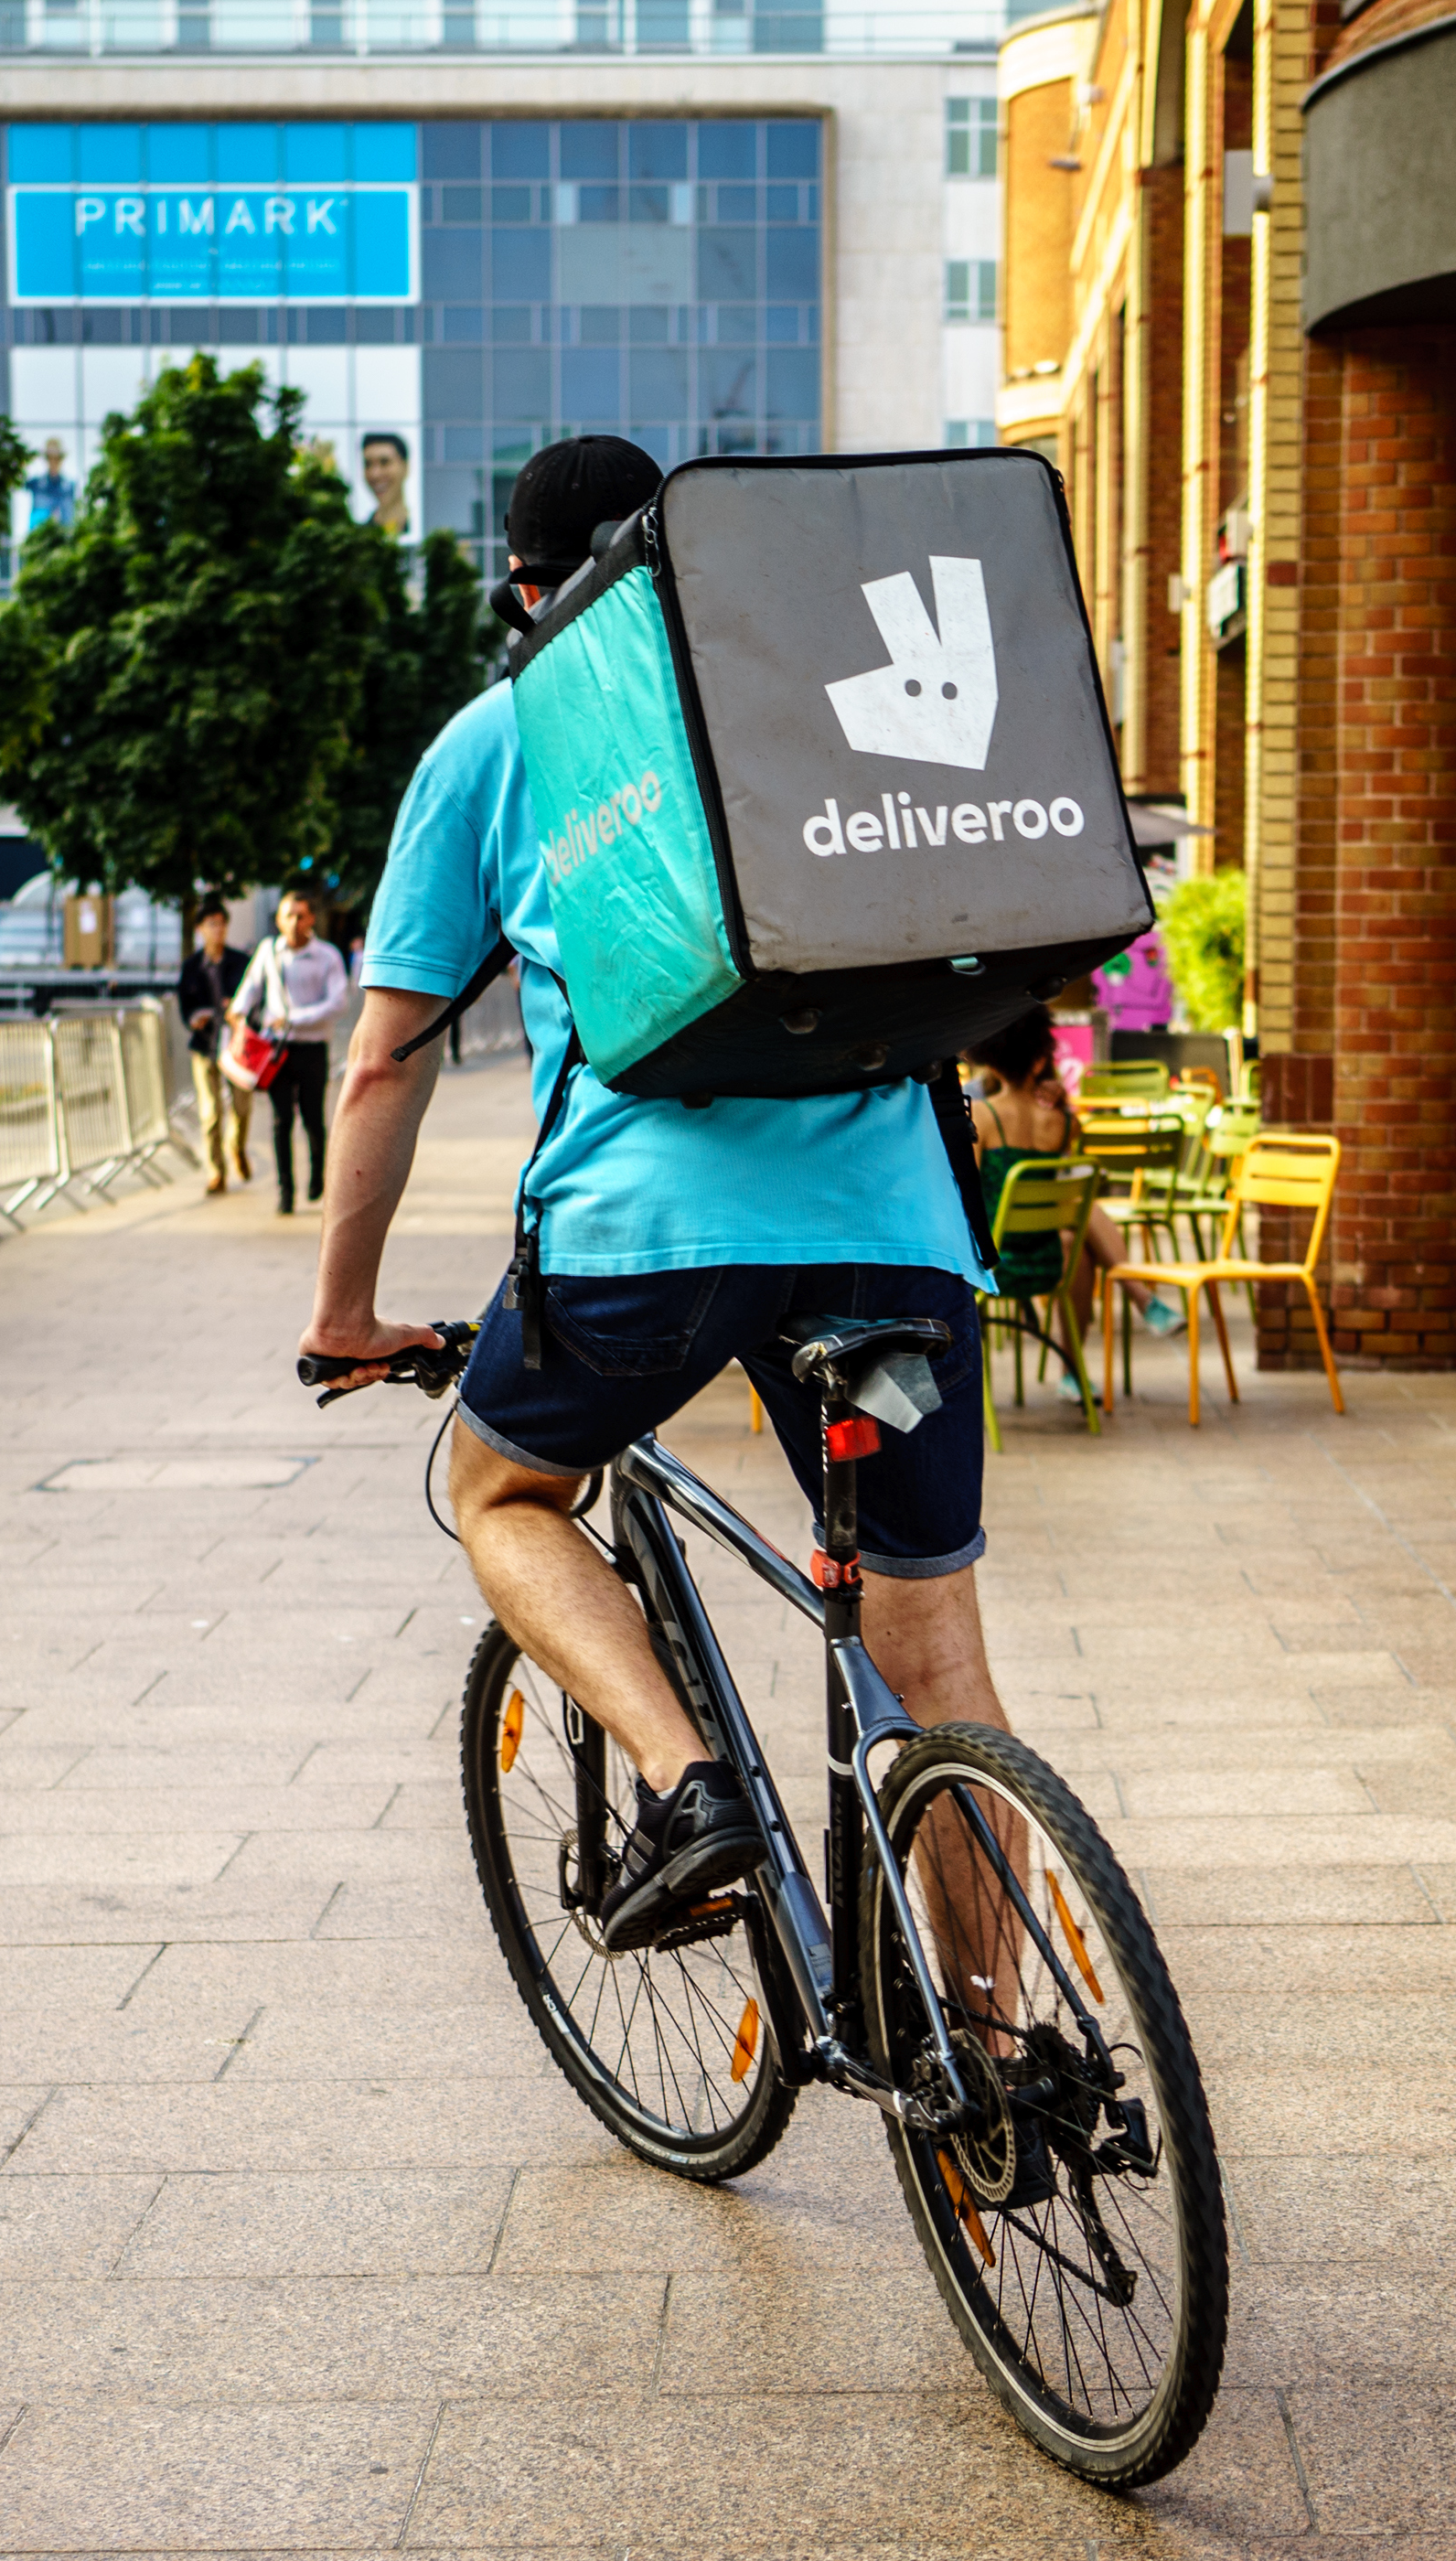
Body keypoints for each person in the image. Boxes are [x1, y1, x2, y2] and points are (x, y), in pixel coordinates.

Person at [294, 434, 1013, 1954]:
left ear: (526, 591)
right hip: (894, 1237)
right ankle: (999, 2079)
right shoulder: (829, 708)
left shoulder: (500, 740)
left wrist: (346, 1312)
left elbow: (382, 1065)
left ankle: (691, 1786)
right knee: (937, 1659)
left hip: (643, 1252)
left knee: (499, 1489)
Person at [963, 1007, 1174, 1336]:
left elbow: (967, 1188)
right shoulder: (1065, 1124)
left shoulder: (978, 1114)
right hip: (1045, 1258)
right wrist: (1059, 1105)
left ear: (990, 1060)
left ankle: (1138, 1301)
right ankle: (1079, 1363)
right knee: (1076, 1235)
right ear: (1039, 1061)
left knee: (1076, 1224)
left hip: (993, 1261)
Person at [236, 886, 351, 1215]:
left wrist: (294, 1019)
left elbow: (337, 1002)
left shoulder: (327, 956)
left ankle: (318, 1176)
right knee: (280, 1120)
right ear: (278, 919)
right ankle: (285, 1191)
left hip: (313, 1049)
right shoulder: (268, 951)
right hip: (277, 1051)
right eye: (289, 915)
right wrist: (238, 1011)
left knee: (313, 1118)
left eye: (301, 916)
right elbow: (251, 987)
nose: (295, 922)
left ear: (311, 919)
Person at [176, 897, 252, 1195]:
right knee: (210, 1112)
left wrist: (236, 1008)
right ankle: (216, 1172)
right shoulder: (191, 966)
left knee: (242, 1108)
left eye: (221, 924)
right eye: (211, 925)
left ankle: (237, 1147)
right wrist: (195, 1018)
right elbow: (185, 1005)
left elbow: (252, 997)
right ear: (200, 929)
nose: (217, 930)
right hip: (205, 1045)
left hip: (236, 1046)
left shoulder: (239, 961)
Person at [359, 431, 412, 537]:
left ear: (405, 467)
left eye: (384, 462)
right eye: (368, 464)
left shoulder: (428, 531)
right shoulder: (358, 539)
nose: (375, 474)